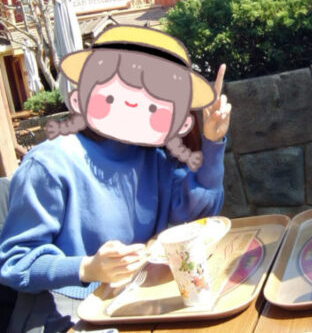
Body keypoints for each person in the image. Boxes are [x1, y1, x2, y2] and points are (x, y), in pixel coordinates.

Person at [0, 25, 232, 332]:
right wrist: (87, 267)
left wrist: (212, 143)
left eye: (155, 104)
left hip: (133, 298)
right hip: (62, 313)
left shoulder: (152, 157)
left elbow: (197, 216)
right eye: (115, 95)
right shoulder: (49, 164)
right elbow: (14, 261)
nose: (134, 106)